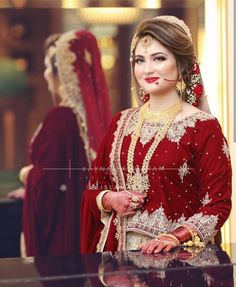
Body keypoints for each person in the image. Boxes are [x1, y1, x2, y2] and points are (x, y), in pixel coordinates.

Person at [80, 15, 232, 254]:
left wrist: (175, 237)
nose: (147, 69)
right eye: (139, 60)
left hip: (177, 262)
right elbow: (94, 187)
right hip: (120, 265)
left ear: (182, 65)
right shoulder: (120, 123)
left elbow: (217, 204)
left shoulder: (203, 127)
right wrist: (110, 199)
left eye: (159, 58)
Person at [8, 30, 112, 256]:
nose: (45, 75)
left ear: (61, 72)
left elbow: (50, 181)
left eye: (47, 67)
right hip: (79, 224)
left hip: (62, 232)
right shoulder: (84, 118)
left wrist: (27, 174)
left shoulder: (61, 118)